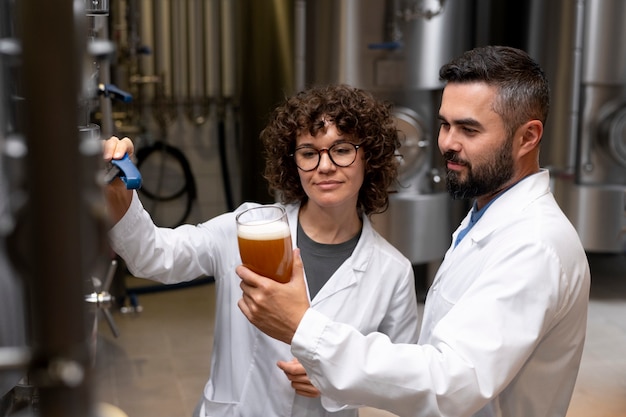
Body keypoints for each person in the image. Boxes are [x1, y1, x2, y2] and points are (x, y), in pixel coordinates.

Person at [237, 45, 591, 417]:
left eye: (468, 129)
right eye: (444, 124)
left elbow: (450, 383)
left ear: (528, 137)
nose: (447, 144)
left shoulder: (534, 246)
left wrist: (303, 327)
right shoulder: (487, 217)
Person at [103, 84, 420, 417]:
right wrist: (122, 200)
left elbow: (401, 378)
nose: (324, 166)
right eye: (309, 153)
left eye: (341, 150)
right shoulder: (247, 227)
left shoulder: (392, 271)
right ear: (293, 162)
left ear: (368, 157)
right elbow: (155, 257)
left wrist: (340, 384)